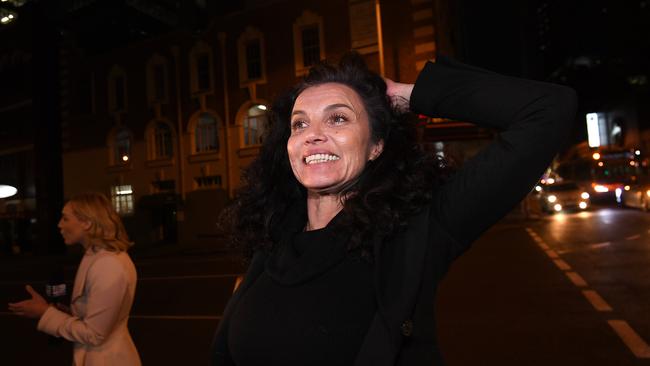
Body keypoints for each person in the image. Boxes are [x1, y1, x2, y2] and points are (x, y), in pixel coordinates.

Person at [210, 53, 577, 366]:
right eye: (300, 123)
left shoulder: (416, 231)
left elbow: (548, 110)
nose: (312, 133)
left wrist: (406, 94)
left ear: (376, 146)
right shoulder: (273, 240)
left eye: (338, 118)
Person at [9, 192, 141, 366]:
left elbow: (94, 334)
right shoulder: (97, 256)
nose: (59, 225)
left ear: (87, 222)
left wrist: (45, 313)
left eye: (65, 219)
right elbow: (96, 317)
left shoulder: (108, 264)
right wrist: (63, 313)